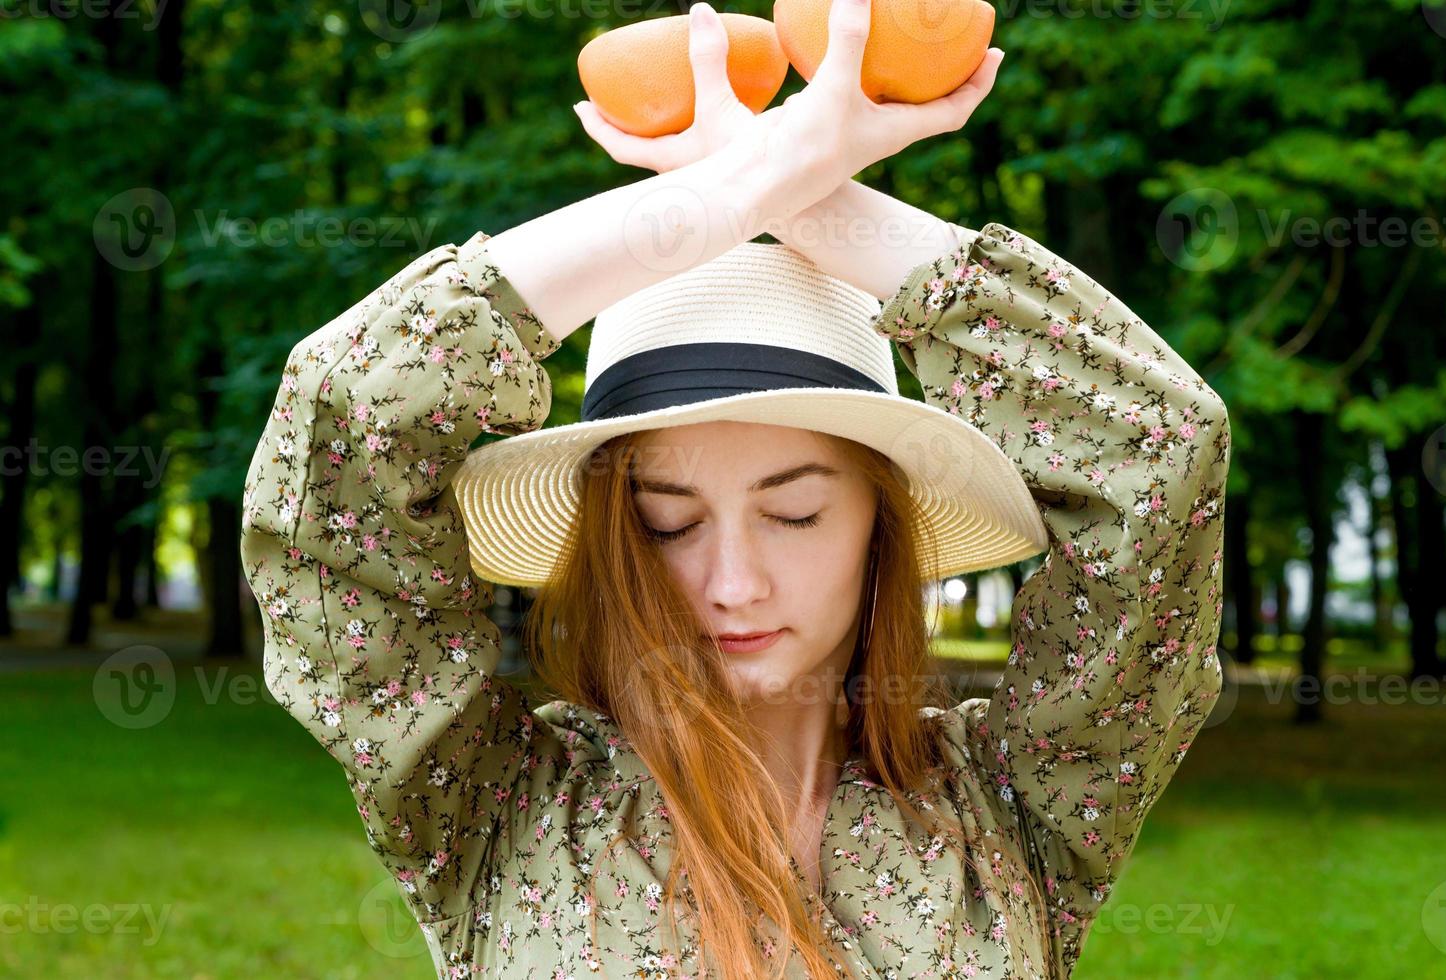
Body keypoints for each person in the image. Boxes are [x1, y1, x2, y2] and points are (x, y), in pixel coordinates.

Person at [239, 0, 1231, 977]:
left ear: (879, 523)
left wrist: (812, 197)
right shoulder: (494, 806)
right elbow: (343, 416)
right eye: (668, 524)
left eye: (795, 511)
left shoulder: (1024, 807)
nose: (734, 581)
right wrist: (726, 194)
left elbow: (1161, 448)